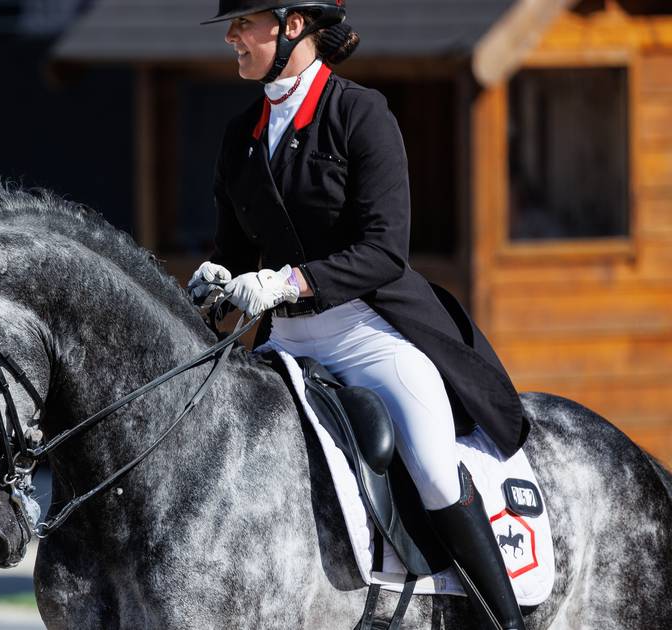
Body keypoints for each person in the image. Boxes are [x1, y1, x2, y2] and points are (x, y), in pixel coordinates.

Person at [187, 2, 528, 628]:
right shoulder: (241, 135)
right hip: (286, 347)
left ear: (292, 26)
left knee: (430, 466)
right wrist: (216, 280)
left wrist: (292, 279)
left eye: (245, 23)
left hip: (367, 334)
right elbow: (236, 252)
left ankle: (503, 620)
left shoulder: (360, 113)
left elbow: (384, 249)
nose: (232, 35)